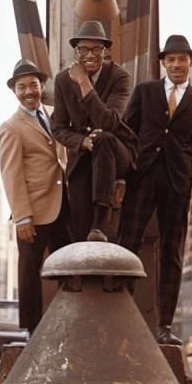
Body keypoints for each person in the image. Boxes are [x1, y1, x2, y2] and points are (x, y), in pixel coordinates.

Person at [120, 34, 192, 345]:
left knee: (172, 254)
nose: (177, 64)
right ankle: (121, 314)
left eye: (182, 59)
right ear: (163, 63)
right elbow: (126, 134)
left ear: (190, 62)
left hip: (178, 185)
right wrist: (121, 177)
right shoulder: (145, 91)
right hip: (141, 178)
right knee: (127, 244)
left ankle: (165, 327)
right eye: (171, 59)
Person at [0, 59, 71, 334]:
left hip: (65, 205)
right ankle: (29, 331)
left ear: (41, 86)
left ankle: (67, 326)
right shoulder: (11, 127)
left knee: (68, 267)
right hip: (33, 211)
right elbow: (11, 174)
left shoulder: (56, 115)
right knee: (29, 272)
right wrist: (22, 217)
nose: (28, 91)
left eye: (33, 85)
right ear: (14, 92)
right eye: (21, 87)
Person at [51, 20, 137, 242]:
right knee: (80, 229)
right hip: (83, 154)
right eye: (83, 49)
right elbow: (58, 128)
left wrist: (83, 82)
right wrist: (82, 142)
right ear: (76, 52)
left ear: (105, 51)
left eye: (96, 49)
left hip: (118, 152)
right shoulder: (62, 80)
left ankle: (101, 221)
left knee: (104, 137)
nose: (90, 55)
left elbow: (109, 122)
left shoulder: (120, 77)